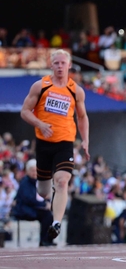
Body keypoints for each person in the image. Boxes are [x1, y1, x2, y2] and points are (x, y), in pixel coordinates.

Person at [20, 49, 90, 240]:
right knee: (43, 192)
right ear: (51, 65)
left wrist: (85, 140)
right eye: (56, 63)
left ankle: (56, 223)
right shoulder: (40, 86)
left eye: (63, 63)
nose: (60, 66)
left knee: (62, 181)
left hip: (65, 142)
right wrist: (40, 123)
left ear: (69, 65)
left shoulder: (76, 90)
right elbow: (25, 111)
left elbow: (82, 117)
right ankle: (50, 192)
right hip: (43, 143)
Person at [11, 159, 54, 246]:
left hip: (34, 207)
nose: (34, 173)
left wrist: (47, 202)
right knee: (46, 215)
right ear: (27, 171)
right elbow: (28, 199)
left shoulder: (38, 182)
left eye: (36, 170)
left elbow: (43, 195)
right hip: (24, 209)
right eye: (32, 170)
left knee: (49, 214)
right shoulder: (25, 182)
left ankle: (48, 240)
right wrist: (43, 204)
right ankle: (44, 240)